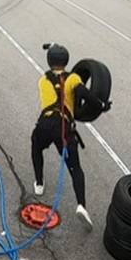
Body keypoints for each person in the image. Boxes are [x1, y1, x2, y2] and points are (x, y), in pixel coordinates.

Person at [31, 43, 110, 231]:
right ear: (67, 61)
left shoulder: (43, 80)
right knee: (75, 168)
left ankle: (39, 183)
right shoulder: (74, 78)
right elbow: (84, 94)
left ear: (49, 61)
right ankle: (81, 205)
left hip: (46, 123)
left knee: (36, 147)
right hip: (64, 127)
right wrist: (101, 105)